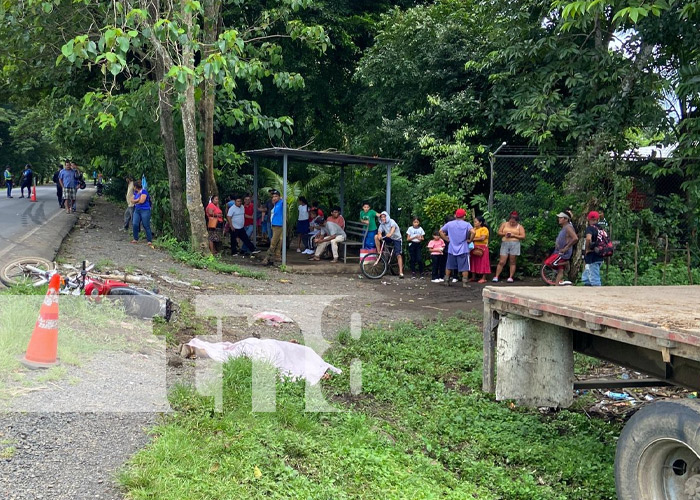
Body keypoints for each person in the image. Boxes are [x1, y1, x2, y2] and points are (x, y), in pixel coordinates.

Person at [440, 208, 474, 287]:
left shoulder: (450, 224)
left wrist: (446, 239)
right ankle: (465, 283)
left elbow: (440, 231)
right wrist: (470, 240)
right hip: (463, 248)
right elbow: (473, 232)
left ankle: (446, 281)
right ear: (464, 216)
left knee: (449, 265)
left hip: (452, 247)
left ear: (455, 215)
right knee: (464, 266)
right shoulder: (467, 224)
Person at [492, 211, 526, 283]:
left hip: (515, 243)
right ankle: (496, 276)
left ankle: (510, 277)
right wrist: (505, 234)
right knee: (502, 261)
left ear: (516, 221)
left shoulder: (519, 227)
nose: (511, 223)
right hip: (505, 242)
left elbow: (523, 236)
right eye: (511, 222)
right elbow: (499, 232)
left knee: (512, 261)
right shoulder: (504, 224)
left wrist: (514, 235)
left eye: (513, 222)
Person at [552, 210, 579, 285]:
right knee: (560, 270)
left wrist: (566, 247)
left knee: (555, 264)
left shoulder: (568, 227)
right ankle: (557, 285)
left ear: (566, 219)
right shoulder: (564, 227)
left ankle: (566, 263)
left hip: (564, 252)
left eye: (561, 218)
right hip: (560, 251)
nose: (559, 219)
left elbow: (575, 238)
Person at [375, 211, 404, 279]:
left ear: (387, 216)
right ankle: (379, 253)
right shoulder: (382, 224)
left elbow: (392, 228)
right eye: (381, 217)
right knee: (376, 237)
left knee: (398, 255)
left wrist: (390, 233)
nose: (383, 218)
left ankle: (400, 272)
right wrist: (379, 235)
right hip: (389, 238)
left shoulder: (392, 221)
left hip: (396, 238)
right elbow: (379, 231)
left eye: (384, 217)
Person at [582, 211, 603, 286]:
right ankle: (587, 291)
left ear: (589, 219)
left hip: (592, 256)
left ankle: (598, 295)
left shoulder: (590, 228)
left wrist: (587, 249)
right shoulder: (601, 229)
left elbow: (588, 238)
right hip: (600, 254)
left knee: (595, 279)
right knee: (586, 277)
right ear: (597, 220)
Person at [262, 190, 283, 266]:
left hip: (279, 225)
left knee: (273, 242)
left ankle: (267, 258)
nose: (274, 198)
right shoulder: (276, 204)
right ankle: (278, 256)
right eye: (273, 196)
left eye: (276, 196)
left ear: (279, 197)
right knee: (278, 241)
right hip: (274, 225)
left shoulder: (281, 203)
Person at [470, 215, 491, 283]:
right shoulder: (474, 229)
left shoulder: (484, 229)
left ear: (480, 222)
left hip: (483, 247)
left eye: (476, 222)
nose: (475, 223)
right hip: (474, 247)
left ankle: (484, 278)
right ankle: (473, 277)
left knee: (483, 262)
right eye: (474, 222)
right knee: (474, 261)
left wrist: (472, 239)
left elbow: (482, 238)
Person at [131, 180, 153, 246]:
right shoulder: (135, 192)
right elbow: (132, 200)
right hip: (137, 210)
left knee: (146, 225)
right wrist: (137, 200)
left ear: (135, 187)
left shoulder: (144, 192)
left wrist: (136, 201)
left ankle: (149, 240)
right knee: (135, 223)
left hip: (145, 210)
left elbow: (142, 201)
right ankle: (135, 238)